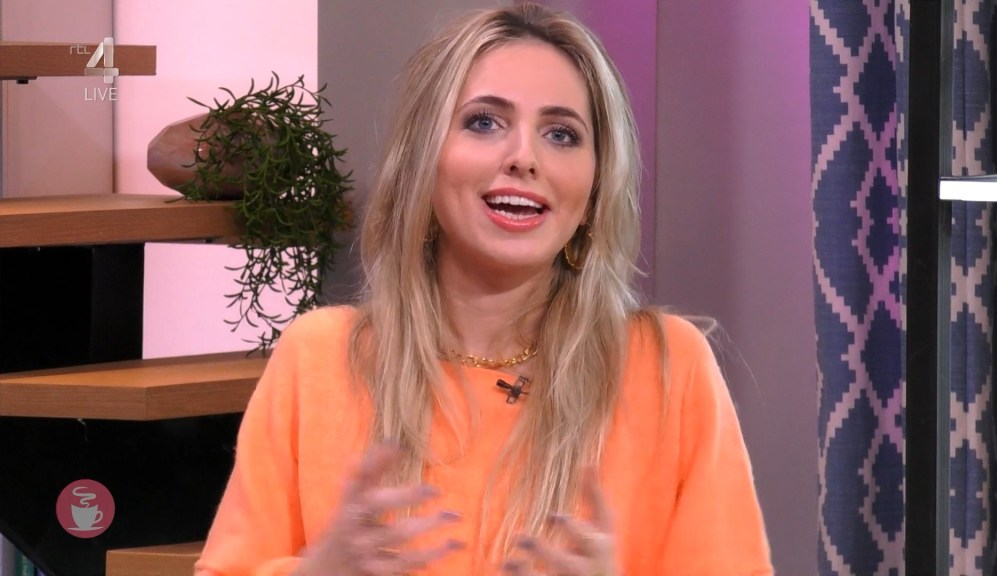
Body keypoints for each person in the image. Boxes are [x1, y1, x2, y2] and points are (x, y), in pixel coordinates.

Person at [194, 3, 773, 575]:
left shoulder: (668, 367)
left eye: (562, 134)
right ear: (422, 161)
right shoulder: (320, 357)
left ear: (596, 187)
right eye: (484, 122)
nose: (524, 157)